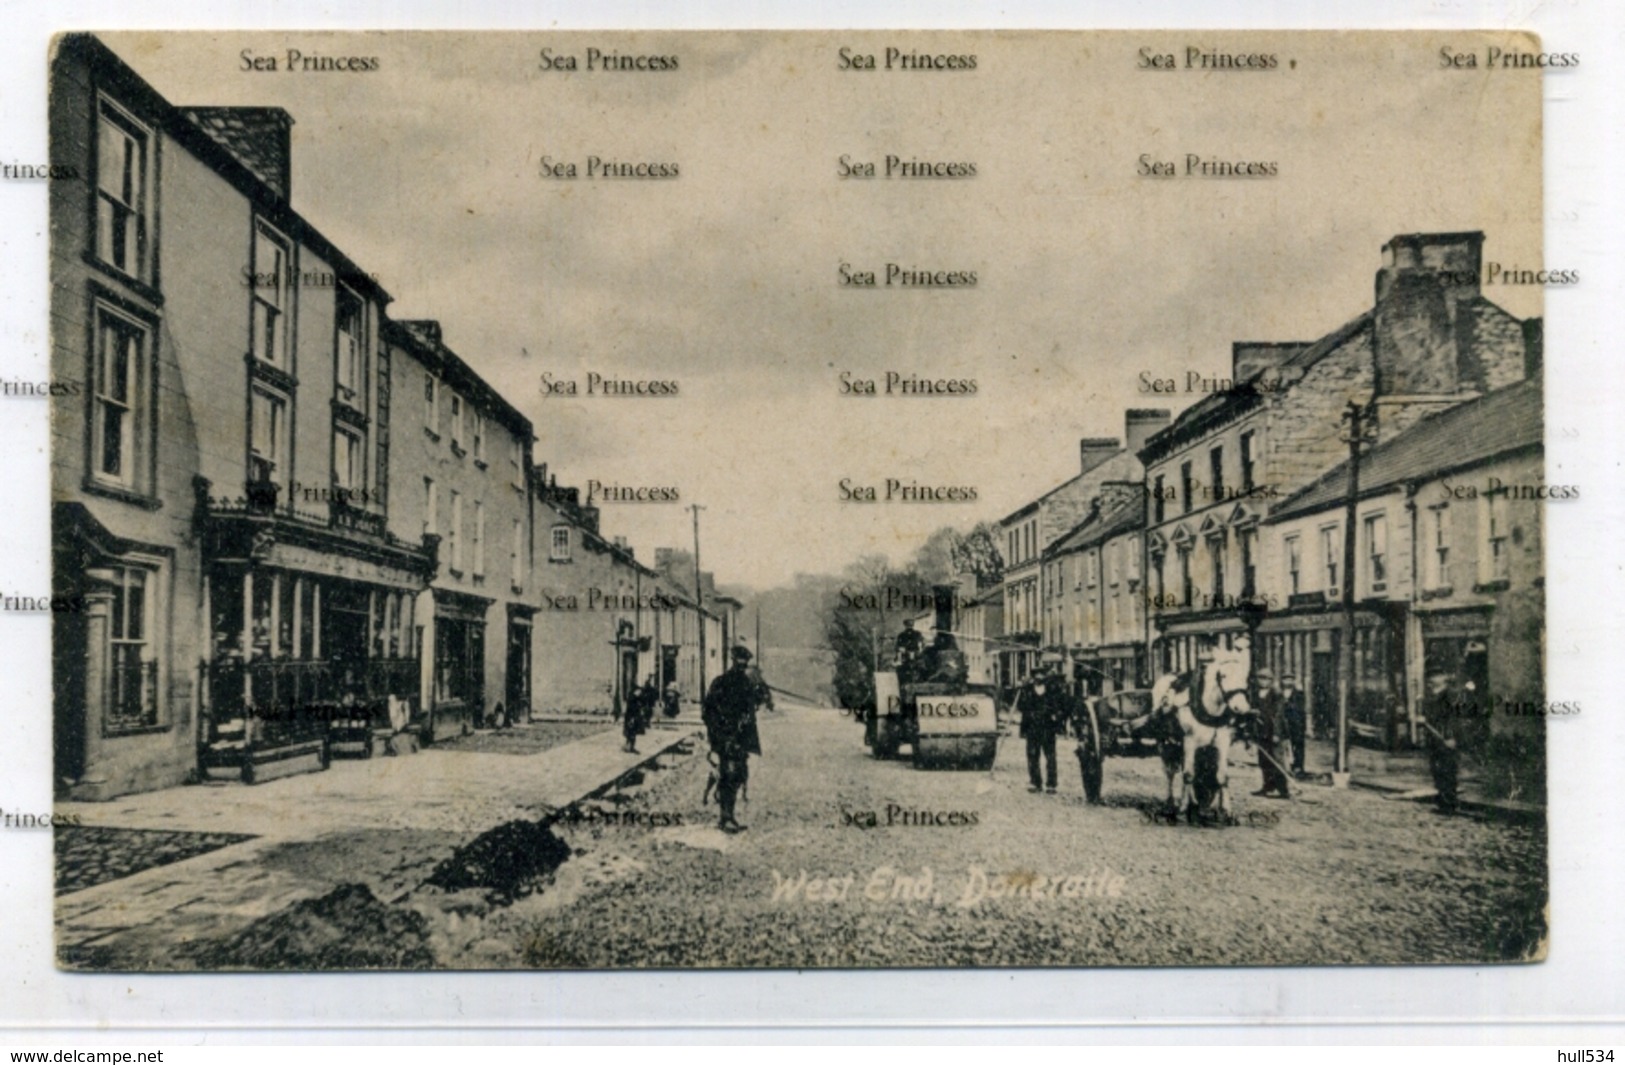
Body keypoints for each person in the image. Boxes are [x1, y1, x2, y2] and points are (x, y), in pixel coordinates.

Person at [703, 645, 764, 833]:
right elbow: (708, 712)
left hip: (741, 739)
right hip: (725, 738)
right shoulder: (720, 683)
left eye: (744, 666)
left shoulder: (747, 684)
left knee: (739, 775)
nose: (742, 668)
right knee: (729, 774)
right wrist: (719, 733)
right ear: (732, 662)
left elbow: (756, 704)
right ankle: (725, 817)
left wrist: (759, 690)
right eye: (739, 664)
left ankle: (729, 814)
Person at [1019, 662, 1068, 794]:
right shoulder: (1027, 690)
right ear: (1033, 677)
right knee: (1033, 755)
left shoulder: (1052, 690)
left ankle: (1051, 784)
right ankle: (1035, 782)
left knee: (1050, 756)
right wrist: (1021, 692)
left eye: (1041, 675)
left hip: (1048, 728)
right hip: (1032, 727)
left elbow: (1060, 705)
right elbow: (1020, 707)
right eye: (1036, 675)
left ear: (1045, 677)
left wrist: (1056, 717)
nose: (1039, 677)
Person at [1419, 669, 1462, 814]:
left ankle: (1449, 803)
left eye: (1434, 678)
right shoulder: (1434, 696)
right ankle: (1443, 801)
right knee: (1437, 770)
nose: (1430, 681)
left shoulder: (1450, 696)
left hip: (1446, 740)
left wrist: (1450, 737)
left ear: (1443, 679)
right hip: (1436, 740)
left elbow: (1453, 718)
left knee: (1447, 770)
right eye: (1429, 679)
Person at [1250, 668, 1291, 798]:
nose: (1262, 681)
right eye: (1260, 678)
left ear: (1271, 680)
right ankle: (1267, 786)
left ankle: (1283, 790)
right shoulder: (1255, 693)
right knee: (1264, 761)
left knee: (1277, 761)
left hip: (1274, 731)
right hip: (1261, 731)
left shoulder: (1277, 694)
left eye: (1266, 679)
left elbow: (1279, 715)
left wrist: (1276, 734)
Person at [1280, 672, 1308, 778]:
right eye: (1286, 679)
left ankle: (1298, 767)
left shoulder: (1299, 693)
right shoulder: (1279, 693)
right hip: (1283, 723)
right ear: (1282, 681)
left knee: (1298, 746)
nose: (1288, 681)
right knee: (1284, 745)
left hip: (1296, 723)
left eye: (1290, 679)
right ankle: (1286, 766)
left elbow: (1300, 708)